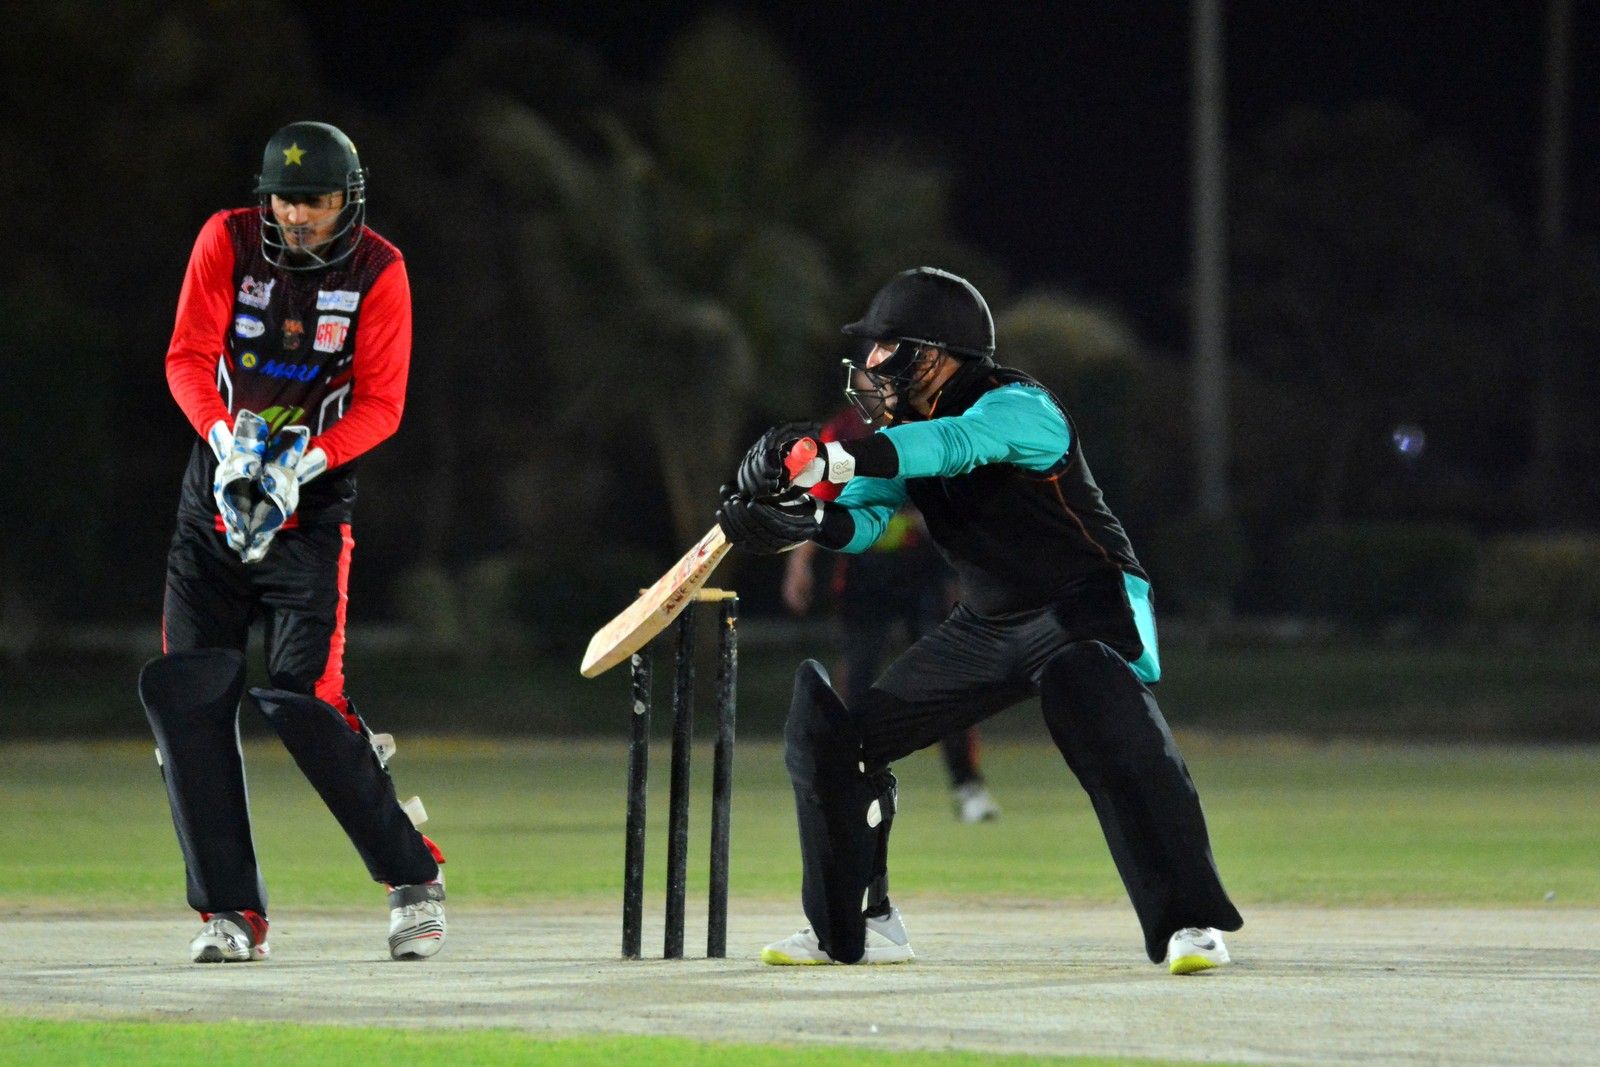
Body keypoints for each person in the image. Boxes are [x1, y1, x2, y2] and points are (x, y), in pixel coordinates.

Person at [717, 266, 1241, 974]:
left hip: (1085, 605)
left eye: (886, 346)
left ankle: (1191, 921)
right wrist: (808, 516)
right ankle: (863, 923)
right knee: (837, 743)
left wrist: (827, 460)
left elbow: (955, 446)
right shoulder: (902, 429)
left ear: (933, 355)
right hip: (988, 623)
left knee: (1099, 703)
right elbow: (866, 519)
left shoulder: (1020, 406)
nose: (871, 362)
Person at [139, 121, 445, 964]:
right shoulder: (227, 238)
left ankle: (413, 878)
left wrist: (301, 464)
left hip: (308, 511)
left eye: (315, 200)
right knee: (190, 699)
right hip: (216, 497)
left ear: (349, 199)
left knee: (308, 699)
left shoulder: (378, 268)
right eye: (284, 198)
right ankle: (231, 913)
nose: (298, 215)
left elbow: (381, 403)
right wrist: (226, 444)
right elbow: (186, 357)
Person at [781, 404, 1001, 824]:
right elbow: (817, 499)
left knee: (948, 678)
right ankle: (849, 780)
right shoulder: (843, 427)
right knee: (858, 678)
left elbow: (958, 497)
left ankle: (967, 783)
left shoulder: (925, 419)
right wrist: (799, 564)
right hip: (864, 574)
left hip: (923, 572)